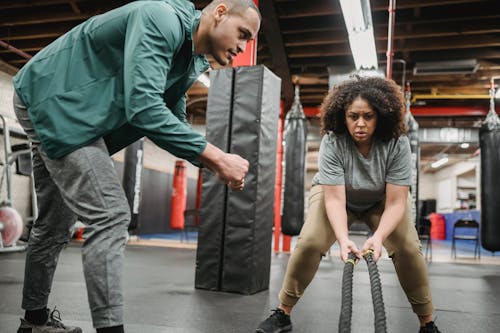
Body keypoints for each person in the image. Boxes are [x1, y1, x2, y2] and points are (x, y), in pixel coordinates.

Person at [12, 0, 261, 332]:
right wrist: (216, 156)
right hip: (55, 101)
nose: (243, 47)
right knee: (111, 215)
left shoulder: (191, 60)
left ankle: (34, 322)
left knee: (56, 223)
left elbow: (172, 117)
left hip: (68, 112)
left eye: (250, 41)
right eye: (242, 33)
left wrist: (214, 163)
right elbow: (143, 107)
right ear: (219, 12)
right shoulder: (161, 19)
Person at [255, 76, 442, 333]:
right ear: (343, 116)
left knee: (409, 248)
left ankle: (427, 322)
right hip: (337, 198)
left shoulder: (398, 143)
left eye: (368, 116)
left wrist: (378, 238)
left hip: (381, 201)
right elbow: (334, 199)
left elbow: (397, 202)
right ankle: (283, 313)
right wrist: (343, 240)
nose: (361, 123)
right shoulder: (333, 141)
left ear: (381, 116)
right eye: (353, 116)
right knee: (309, 242)